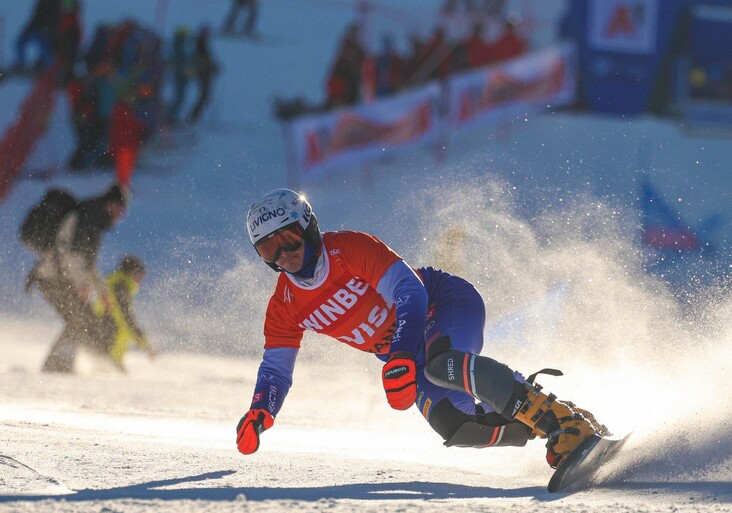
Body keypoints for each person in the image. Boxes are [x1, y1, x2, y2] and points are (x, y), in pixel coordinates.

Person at [236, 189, 609, 470]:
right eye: (268, 249)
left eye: (287, 238)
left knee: (441, 364)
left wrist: (399, 354)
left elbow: (409, 291)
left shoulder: (348, 248)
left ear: (309, 228)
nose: (283, 254)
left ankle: (562, 421)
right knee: (457, 426)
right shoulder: (283, 306)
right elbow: (275, 371)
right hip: (411, 351)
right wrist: (260, 413)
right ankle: (550, 421)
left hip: (443, 303)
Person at [25, 183, 131, 372]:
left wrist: (103, 293)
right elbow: (72, 256)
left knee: (84, 319)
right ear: (111, 204)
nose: (121, 216)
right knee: (79, 319)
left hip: (59, 278)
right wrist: (82, 285)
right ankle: (56, 366)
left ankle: (65, 363)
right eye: (121, 210)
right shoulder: (88, 217)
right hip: (51, 278)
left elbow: (87, 265)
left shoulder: (92, 218)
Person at [94, 254, 154, 369]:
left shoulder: (114, 282)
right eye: (140, 274)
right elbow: (128, 318)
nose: (141, 279)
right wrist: (145, 344)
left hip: (105, 342)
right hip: (109, 348)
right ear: (132, 272)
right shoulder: (120, 287)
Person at [187, 27, 219, 124]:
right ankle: (192, 117)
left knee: (204, 96)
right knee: (204, 96)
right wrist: (211, 67)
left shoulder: (201, 43)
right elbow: (202, 60)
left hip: (204, 73)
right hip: (203, 74)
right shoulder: (200, 44)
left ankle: (194, 117)